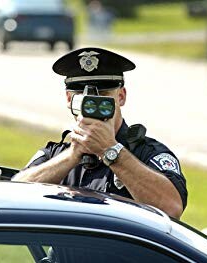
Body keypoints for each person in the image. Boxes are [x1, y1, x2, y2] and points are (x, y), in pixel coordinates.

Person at [13, 47, 187, 218]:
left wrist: (111, 151)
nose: (91, 104)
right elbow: (12, 196)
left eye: (102, 95)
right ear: (69, 99)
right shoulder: (56, 154)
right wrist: (72, 155)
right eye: (81, 95)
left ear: (121, 97)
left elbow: (171, 208)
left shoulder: (147, 153)